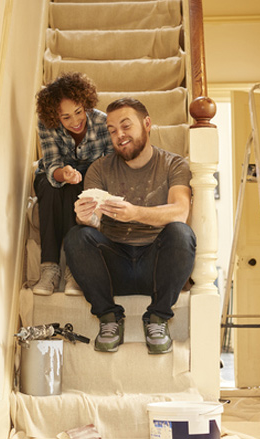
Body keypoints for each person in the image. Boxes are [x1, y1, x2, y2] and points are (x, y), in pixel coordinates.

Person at [63, 97, 196, 354]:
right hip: (114, 267)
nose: (119, 136)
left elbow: (180, 211)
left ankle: (158, 318)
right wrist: (84, 216)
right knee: (76, 236)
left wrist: (134, 213)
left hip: (157, 267)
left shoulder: (174, 164)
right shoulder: (99, 169)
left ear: (147, 124)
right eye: (112, 131)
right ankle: (109, 318)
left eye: (126, 126)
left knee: (181, 233)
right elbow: (94, 222)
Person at [33, 72, 113, 296]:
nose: (75, 121)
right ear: (55, 117)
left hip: (90, 177)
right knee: (50, 187)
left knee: (77, 193)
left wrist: (84, 180)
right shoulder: (46, 124)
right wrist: (64, 174)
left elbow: (108, 167)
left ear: (86, 103)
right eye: (66, 117)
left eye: (78, 112)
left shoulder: (103, 122)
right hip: (57, 175)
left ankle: (73, 270)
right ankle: (49, 268)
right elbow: (51, 166)